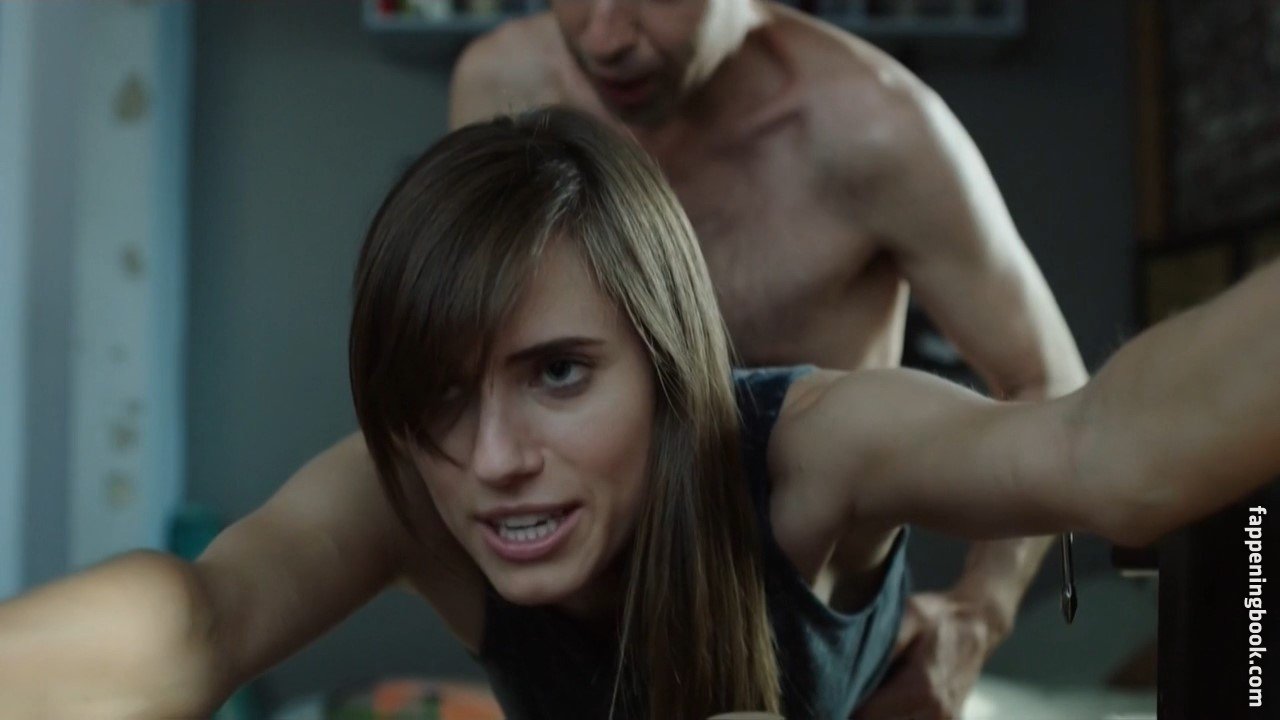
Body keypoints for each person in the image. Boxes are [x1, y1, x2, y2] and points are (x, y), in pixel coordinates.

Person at [1, 108, 1276, 720]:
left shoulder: (813, 451)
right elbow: (205, 616)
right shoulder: (414, 487)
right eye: (441, 394)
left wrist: (978, 620)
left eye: (559, 373)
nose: (493, 461)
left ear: (669, 364)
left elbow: (1101, 446)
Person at [448, 4, 1089, 715]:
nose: (604, 40)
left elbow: (1049, 382)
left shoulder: (875, 126)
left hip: (810, 630)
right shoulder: (502, 84)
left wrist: (978, 616)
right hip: (592, 617)